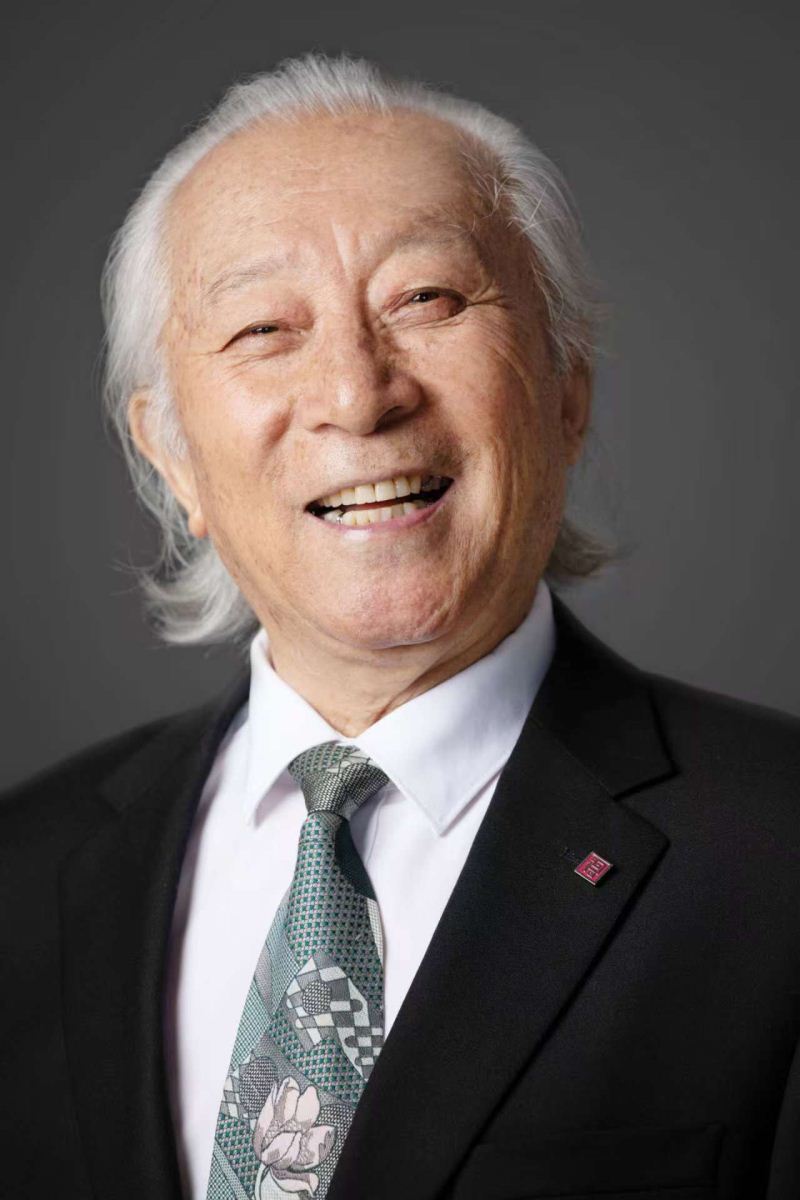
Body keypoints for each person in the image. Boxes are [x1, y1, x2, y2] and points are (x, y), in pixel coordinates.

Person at [1, 51, 798, 1200]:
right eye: (263, 329)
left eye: (425, 300)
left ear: (565, 390)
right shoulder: (23, 875)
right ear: (169, 452)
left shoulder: (776, 858)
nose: (358, 394)